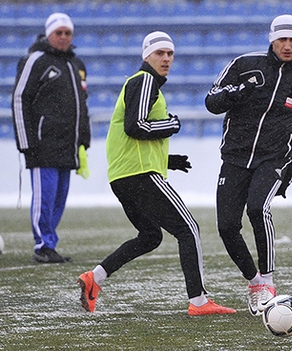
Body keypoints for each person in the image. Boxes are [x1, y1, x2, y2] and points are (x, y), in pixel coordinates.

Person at [77, 31, 236, 316]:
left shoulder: (143, 84)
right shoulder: (144, 81)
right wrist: (172, 124)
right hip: (139, 175)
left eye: (170, 54)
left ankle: (95, 278)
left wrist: (167, 159)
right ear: (146, 56)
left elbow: (134, 135)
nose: (166, 58)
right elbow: (135, 126)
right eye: (160, 53)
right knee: (189, 229)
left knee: (150, 236)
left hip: (124, 176)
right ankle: (199, 301)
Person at [205, 14, 292, 316]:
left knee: (257, 208)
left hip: (273, 158)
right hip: (235, 156)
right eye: (282, 39)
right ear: (272, 39)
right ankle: (254, 283)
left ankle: (268, 282)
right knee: (227, 226)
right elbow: (211, 101)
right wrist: (237, 93)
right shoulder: (244, 64)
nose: (287, 45)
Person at [12, 12, 91, 263]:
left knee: (59, 198)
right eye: (59, 32)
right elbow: (19, 99)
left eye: (68, 33)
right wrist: (26, 142)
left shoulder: (76, 64)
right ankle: (42, 245)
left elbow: (82, 104)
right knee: (44, 198)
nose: (64, 37)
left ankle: (50, 243)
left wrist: (83, 138)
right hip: (42, 144)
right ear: (48, 34)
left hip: (67, 145)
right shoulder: (35, 60)